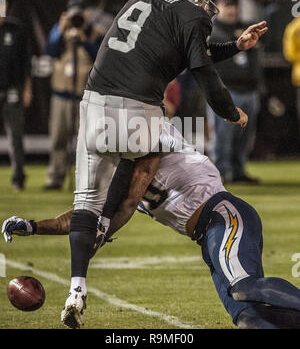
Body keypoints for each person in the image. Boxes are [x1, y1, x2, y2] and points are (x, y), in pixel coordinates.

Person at [47, 0, 267, 329]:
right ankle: (104, 229)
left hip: (94, 104)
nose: (212, 3)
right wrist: (230, 112)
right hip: (137, 108)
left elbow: (186, 51)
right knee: (134, 186)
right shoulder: (192, 15)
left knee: (86, 204)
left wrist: (235, 46)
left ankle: (76, 287)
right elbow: (202, 71)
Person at [3, 122, 300, 330]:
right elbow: (83, 217)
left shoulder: (147, 132)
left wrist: (98, 236)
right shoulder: (120, 164)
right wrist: (32, 227)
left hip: (224, 215)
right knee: (248, 317)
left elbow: (129, 202)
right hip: (206, 237)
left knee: (244, 288)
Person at [44, 0, 104, 190]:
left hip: (86, 96)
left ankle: (87, 180)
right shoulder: (59, 31)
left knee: (87, 142)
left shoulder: (95, 33)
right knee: (58, 138)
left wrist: (85, 40)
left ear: (87, 15)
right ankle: (55, 178)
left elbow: (101, 57)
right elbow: (50, 51)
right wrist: (61, 30)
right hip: (61, 94)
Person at [207, 0, 263, 183]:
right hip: (227, 90)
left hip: (250, 90)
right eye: (227, 6)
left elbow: (255, 63)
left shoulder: (243, 30)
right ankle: (219, 173)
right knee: (222, 137)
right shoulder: (212, 31)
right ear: (218, 8)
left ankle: (238, 170)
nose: (232, 10)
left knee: (244, 137)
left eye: (234, 6)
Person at [0, 5, 32, 190]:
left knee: (16, 135)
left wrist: (27, 89)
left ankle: (18, 177)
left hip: (12, 88)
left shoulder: (16, 29)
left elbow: (27, 61)